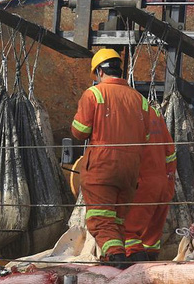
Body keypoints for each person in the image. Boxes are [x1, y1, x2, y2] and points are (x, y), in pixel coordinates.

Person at [71, 49, 150, 269]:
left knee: (101, 220)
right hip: (131, 169)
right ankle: (127, 259)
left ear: (98, 71)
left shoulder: (94, 94)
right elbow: (145, 136)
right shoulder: (139, 99)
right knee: (118, 220)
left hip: (102, 166)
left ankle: (117, 261)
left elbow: (80, 131)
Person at [123, 105, 177, 262]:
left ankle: (135, 269)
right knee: (151, 239)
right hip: (162, 183)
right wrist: (168, 178)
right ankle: (150, 263)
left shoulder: (123, 112)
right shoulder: (153, 112)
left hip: (141, 183)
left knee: (127, 231)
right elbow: (170, 151)